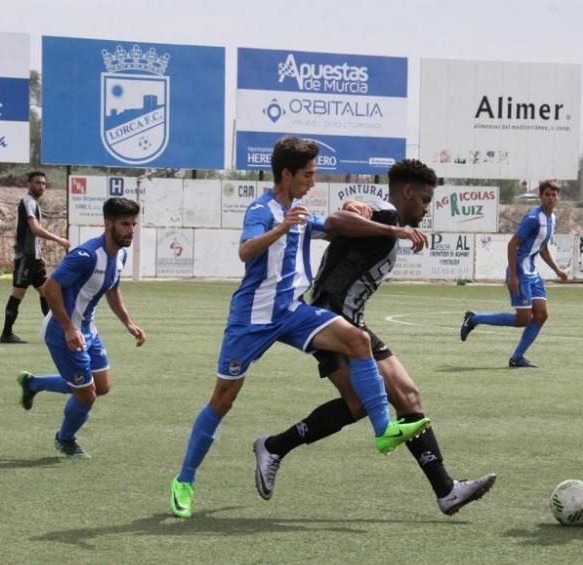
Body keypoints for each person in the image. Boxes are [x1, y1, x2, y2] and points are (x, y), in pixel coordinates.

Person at [169, 136, 431, 519]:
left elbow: (338, 226)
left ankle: (383, 429)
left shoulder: (301, 212)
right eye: (308, 174)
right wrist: (281, 228)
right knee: (222, 401)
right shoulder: (262, 210)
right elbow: (245, 251)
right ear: (287, 174)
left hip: (292, 313)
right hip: (251, 321)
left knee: (357, 339)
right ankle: (185, 480)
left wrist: (353, 208)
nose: (313, 180)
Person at [252, 159, 496, 515]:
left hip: (353, 322)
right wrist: (387, 227)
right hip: (329, 321)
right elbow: (336, 221)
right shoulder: (386, 214)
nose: (426, 210)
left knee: (394, 397)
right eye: (424, 200)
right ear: (407, 192)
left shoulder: (383, 216)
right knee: (372, 400)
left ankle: (446, 490)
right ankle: (273, 447)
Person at [16, 197, 146, 458]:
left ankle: (34, 383)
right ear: (108, 223)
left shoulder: (121, 253)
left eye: (134, 224)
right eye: (125, 224)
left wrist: (128, 323)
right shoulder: (86, 255)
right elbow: (52, 287)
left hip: (89, 330)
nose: (131, 230)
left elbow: (113, 290)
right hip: (63, 333)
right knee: (87, 396)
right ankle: (65, 439)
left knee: (102, 386)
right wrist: (68, 328)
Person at [459, 179, 569, 367]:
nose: (551, 198)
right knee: (523, 320)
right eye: (547, 194)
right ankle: (474, 319)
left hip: (532, 272)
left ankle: (517, 357)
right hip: (519, 272)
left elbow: (542, 248)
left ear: (558, 196)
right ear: (540, 196)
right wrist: (513, 276)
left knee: (541, 315)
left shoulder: (551, 218)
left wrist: (557, 270)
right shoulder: (533, 218)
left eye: (554, 194)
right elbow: (512, 244)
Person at [0, 171, 71, 343]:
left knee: (47, 292)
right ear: (29, 184)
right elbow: (35, 229)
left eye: (43, 184)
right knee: (23, 293)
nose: (41, 186)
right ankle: (7, 333)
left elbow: (33, 235)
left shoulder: (33, 202)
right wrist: (59, 239)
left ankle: (53, 331)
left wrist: (39, 255)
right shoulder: (28, 201)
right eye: (37, 183)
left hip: (33, 258)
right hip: (27, 257)